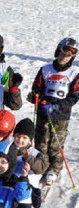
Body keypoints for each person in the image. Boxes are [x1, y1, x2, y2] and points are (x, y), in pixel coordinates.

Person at [28, 37, 79, 186]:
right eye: (62, 53)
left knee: (56, 144)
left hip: (61, 115)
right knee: (41, 142)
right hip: (44, 111)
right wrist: (37, 98)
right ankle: (41, 166)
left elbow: (75, 96)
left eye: (69, 55)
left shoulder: (75, 72)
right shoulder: (45, 69)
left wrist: (58, 106)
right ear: (57, 51)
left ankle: (55, 168)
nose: (64, 57)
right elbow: (36, 88)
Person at [11, 118, 48, 208]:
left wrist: (30, 160)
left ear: (30, 140)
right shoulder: (9, 149)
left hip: (27, 187)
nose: (20, 140)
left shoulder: (35, 153)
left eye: (24, 138)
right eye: (17, 136)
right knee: (7, 207)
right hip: (11, 185)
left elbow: (42, 167)